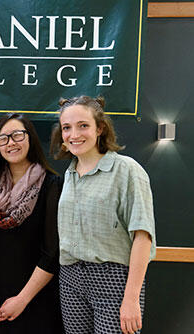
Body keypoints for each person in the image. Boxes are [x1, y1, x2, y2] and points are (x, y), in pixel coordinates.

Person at [50, 96, 156, 334]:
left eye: (83, 125)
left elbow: (143, 237)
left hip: (114, 281)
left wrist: (131, 298)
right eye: (67, 127)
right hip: (70, 279)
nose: (73, 134)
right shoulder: (69, 175)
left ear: (100, 128)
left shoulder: (127, 170)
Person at [0, 113, 64, 333]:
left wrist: (23, 299)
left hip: (36, 300)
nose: (10, 143)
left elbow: (52, 252)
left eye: (17, 135)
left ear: (30, 138)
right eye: (3, 138)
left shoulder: (52, 185)